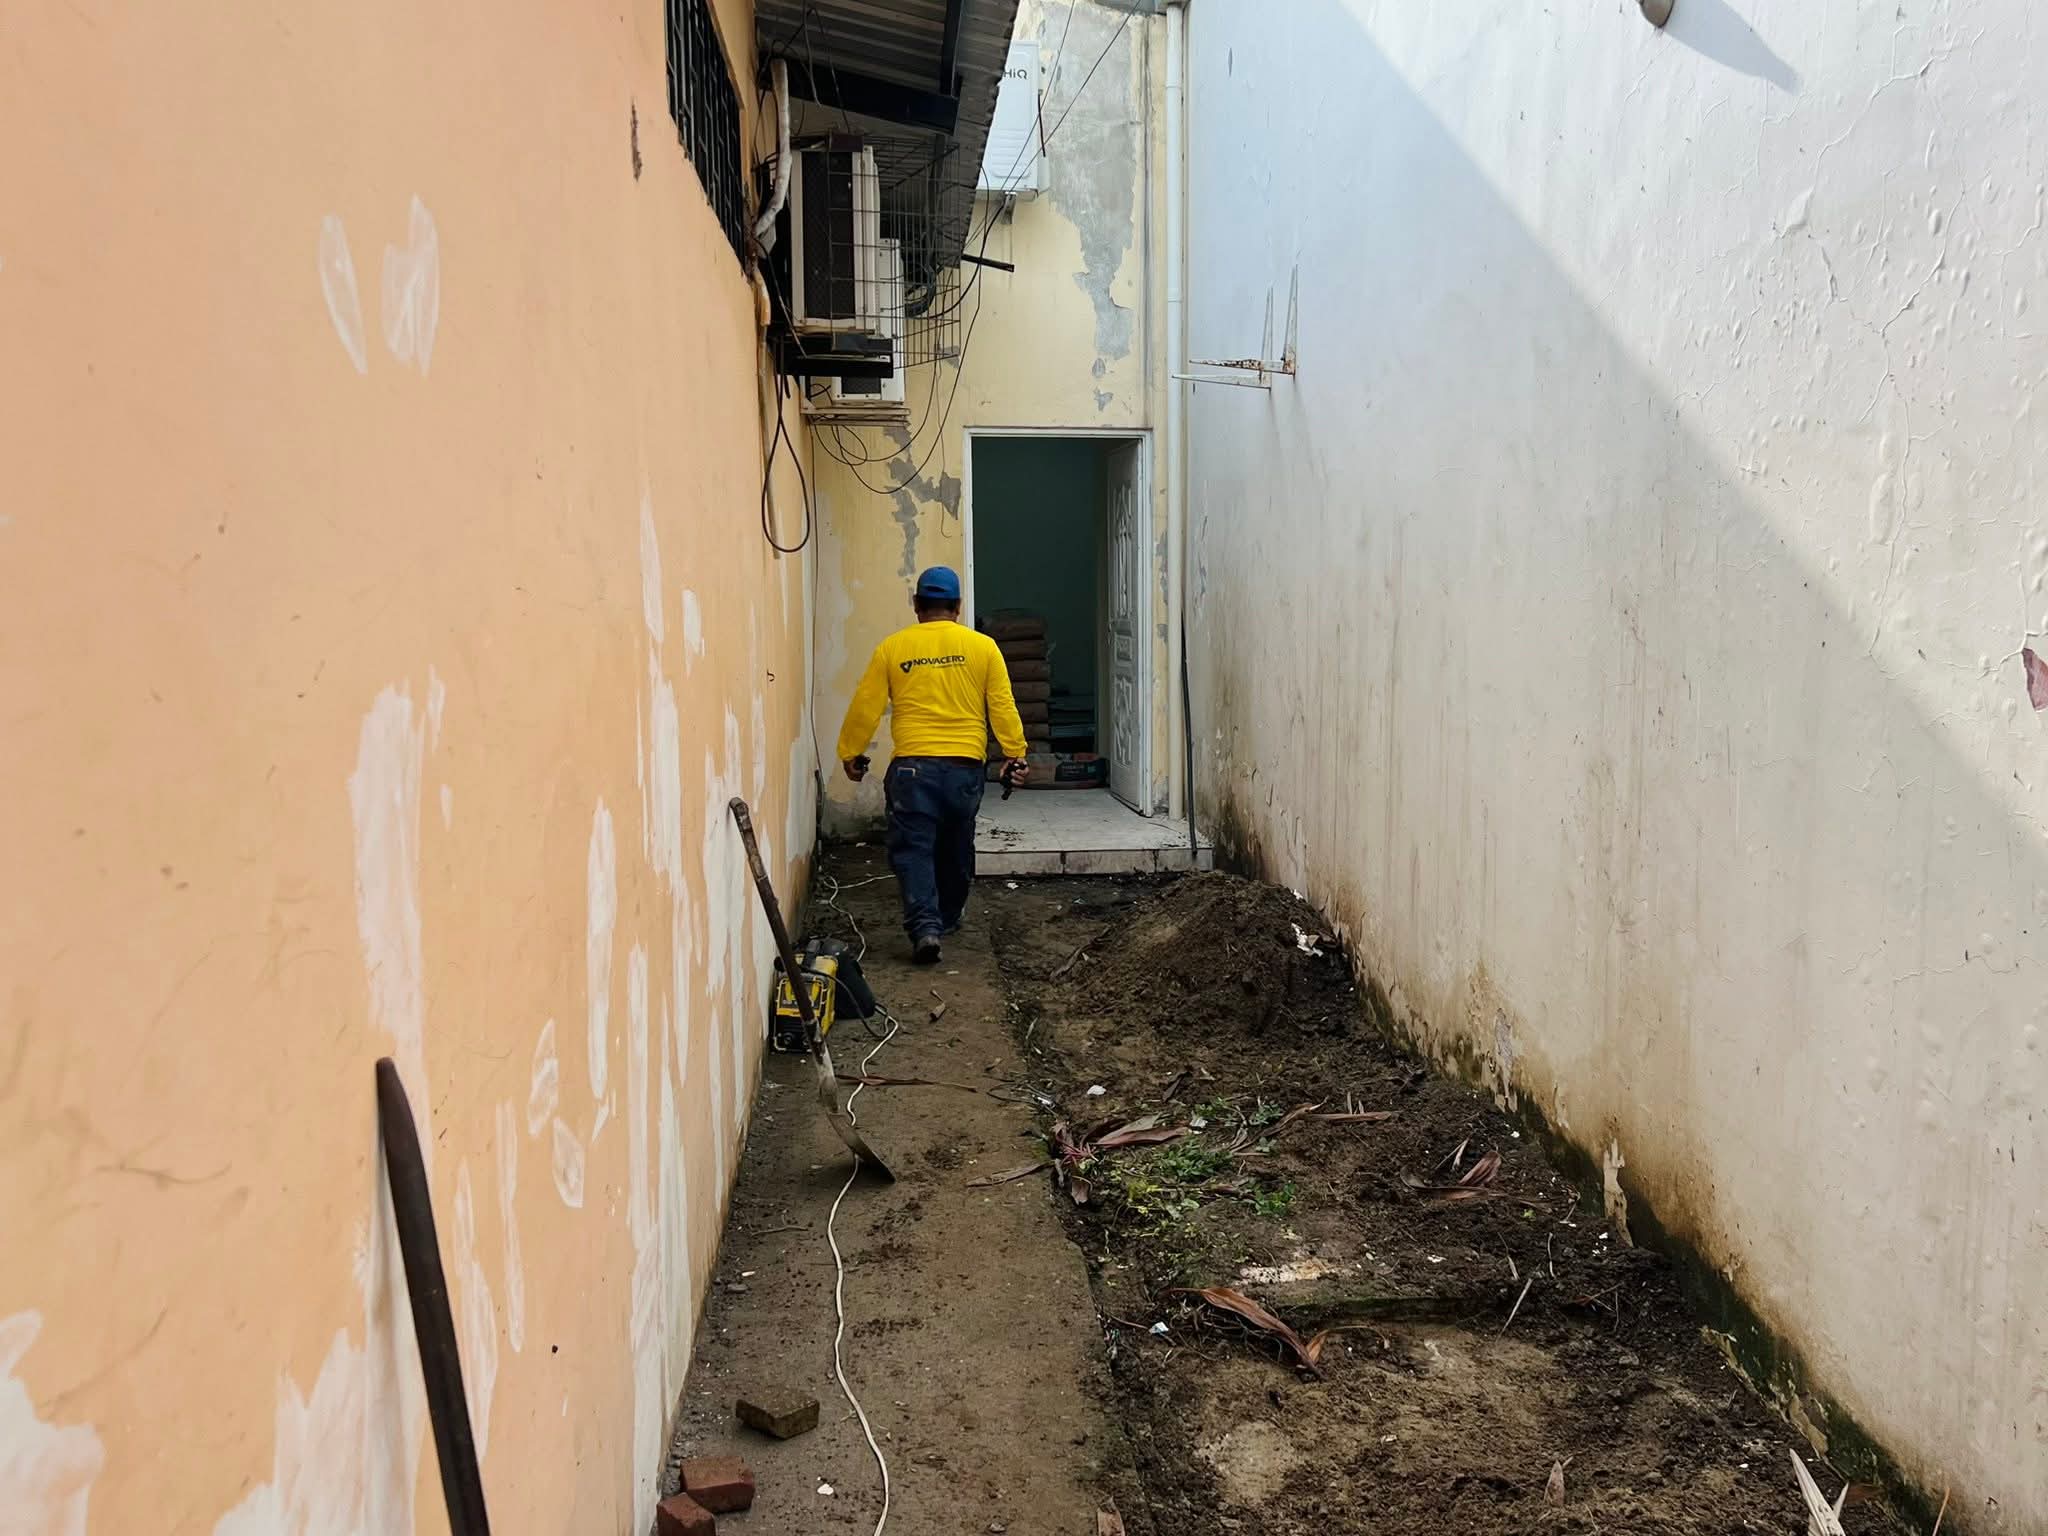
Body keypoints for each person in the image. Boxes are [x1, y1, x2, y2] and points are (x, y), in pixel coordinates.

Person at [836, 566, 1029, 963]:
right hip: (964, 769)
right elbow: (1002, 705)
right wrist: (1015, 753)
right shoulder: (983, 648)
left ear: (916, 605)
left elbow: (865, 706)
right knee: (956, 845)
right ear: (957, 607)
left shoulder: (892, 648)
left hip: (912, 771)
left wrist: (850, 753)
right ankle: (948, 917)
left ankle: (925, 927)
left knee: (914, 849)